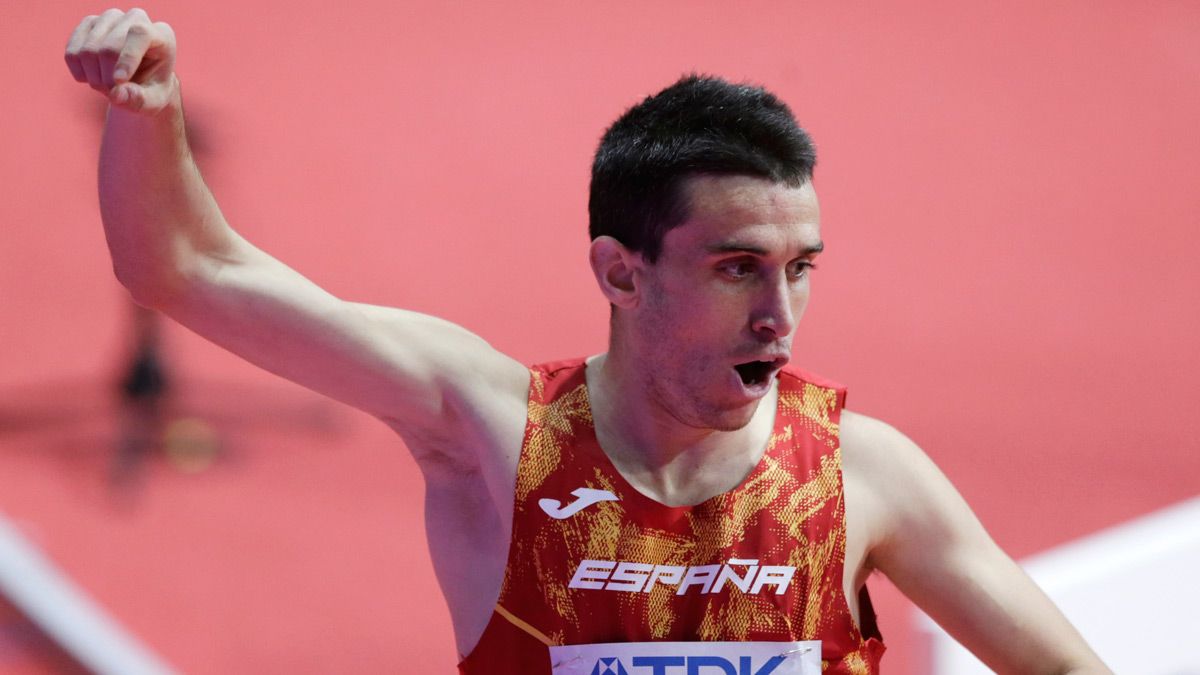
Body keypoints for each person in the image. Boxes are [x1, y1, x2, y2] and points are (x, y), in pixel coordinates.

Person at [64, 9, 1111, 674]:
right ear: (621, 271)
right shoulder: (494, 433)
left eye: (801, 268)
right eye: (737, 267)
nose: (780, 318)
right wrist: (149, 114)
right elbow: (188, 270)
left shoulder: (861, 474)